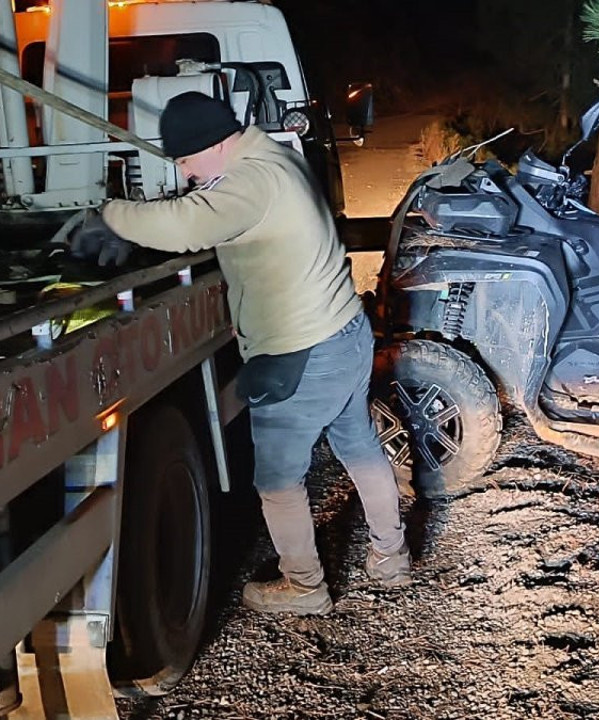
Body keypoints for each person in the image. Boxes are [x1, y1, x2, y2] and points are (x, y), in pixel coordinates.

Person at [72, 91, 409, 616]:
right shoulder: (276, 157)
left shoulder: (253, 182)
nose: (183, 173)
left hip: (300, 353)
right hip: (344, 334)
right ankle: (392, 557)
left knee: (277, 480)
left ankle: (305, 587)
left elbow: (187, 225)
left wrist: (109, 215)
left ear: (216, 143)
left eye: (185, 159)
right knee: (360, 447)